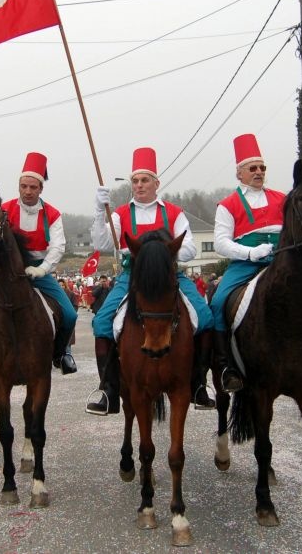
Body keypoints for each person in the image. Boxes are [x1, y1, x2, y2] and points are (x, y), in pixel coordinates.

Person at [86, 147, 214, 415]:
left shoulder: (175, 213)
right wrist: (100, 211)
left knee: (206, 316)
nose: (139, 185)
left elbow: (189, 248)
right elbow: (101, 242)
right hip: (131, 278)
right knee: (101, 322)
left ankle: (199, 383)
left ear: (157, 183)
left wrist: (158, 252)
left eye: (145, 180)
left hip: (170, 275)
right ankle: (108, 389)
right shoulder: (119, 213)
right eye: (135, 181)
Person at [0, 152, 78, 375]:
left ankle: (60, 354)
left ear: (40, 189)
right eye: (24, 186)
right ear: (19, 186)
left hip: (39, 271)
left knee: (70, 315)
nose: (28, 191)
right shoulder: (2, 211)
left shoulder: (52, 214)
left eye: (33, 187)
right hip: (4, 271)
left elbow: (58, 247)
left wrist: (42, 269)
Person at [208, 134, 286, 396]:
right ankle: (225, 366)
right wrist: (251, 253)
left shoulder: (282, 199)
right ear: (239, 173)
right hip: (244, 266)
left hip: (280, 263)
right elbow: (220, 243)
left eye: (262, 167)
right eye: (253, 168)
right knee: (218, 304)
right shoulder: (228, 205)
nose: (259, 172)